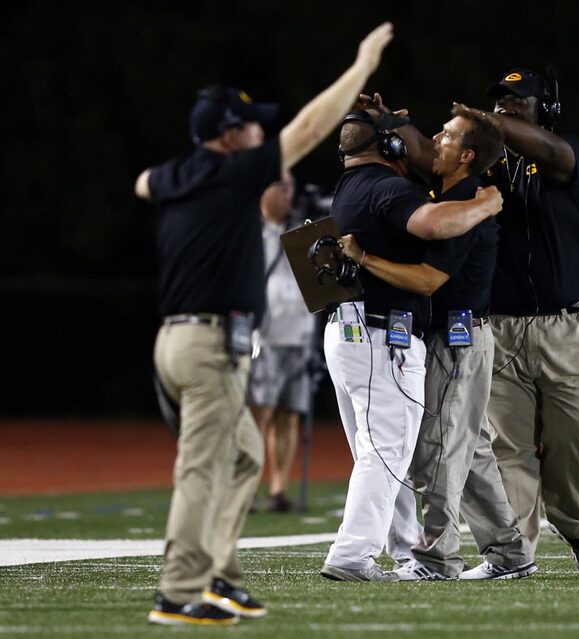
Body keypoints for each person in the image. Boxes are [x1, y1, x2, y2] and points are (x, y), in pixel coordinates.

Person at [134, 22, 395, 625]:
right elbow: (307, 128)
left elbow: (143, 182)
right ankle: (177, 592)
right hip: (206, 345)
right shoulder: (232, 171)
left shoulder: (181, 175)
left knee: (245, 455)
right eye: (251, 126)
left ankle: (222, 574)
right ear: (230, 136)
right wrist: (361, 65)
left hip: (174, 342)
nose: (262, 135)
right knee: (205, 466)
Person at [339, 104, 536, 581]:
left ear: (466, 155)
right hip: (452, 339)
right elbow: (421, 150)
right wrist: (386, 119)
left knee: (439, 450)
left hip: (457, 338)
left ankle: (436, 558)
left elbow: (427, 280)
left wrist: (363, 257)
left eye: (446, 136)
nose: (434, 140)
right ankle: (511, 555)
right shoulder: (451, 193)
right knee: (470, 452)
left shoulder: (466, 205)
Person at [479, 67, 579, 577]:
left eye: (518, 102)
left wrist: (485, 121)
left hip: (569, 325)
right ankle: (514, 554)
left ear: (547, 110)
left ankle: (578, 525)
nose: (506, 110)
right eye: (500, 103)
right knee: (504, 448)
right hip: (499, 327)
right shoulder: (484, 162)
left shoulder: (568, 151)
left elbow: (551, 155)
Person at [248, 172, 315, 514]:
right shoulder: (250, 231)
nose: (289, 192)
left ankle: (278, 489)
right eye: (280, 184)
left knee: (289, 415)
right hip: (265, 336)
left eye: (291, 185)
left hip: (299, 334)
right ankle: (245, 488)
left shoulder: (303, 230)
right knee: (259, 414)